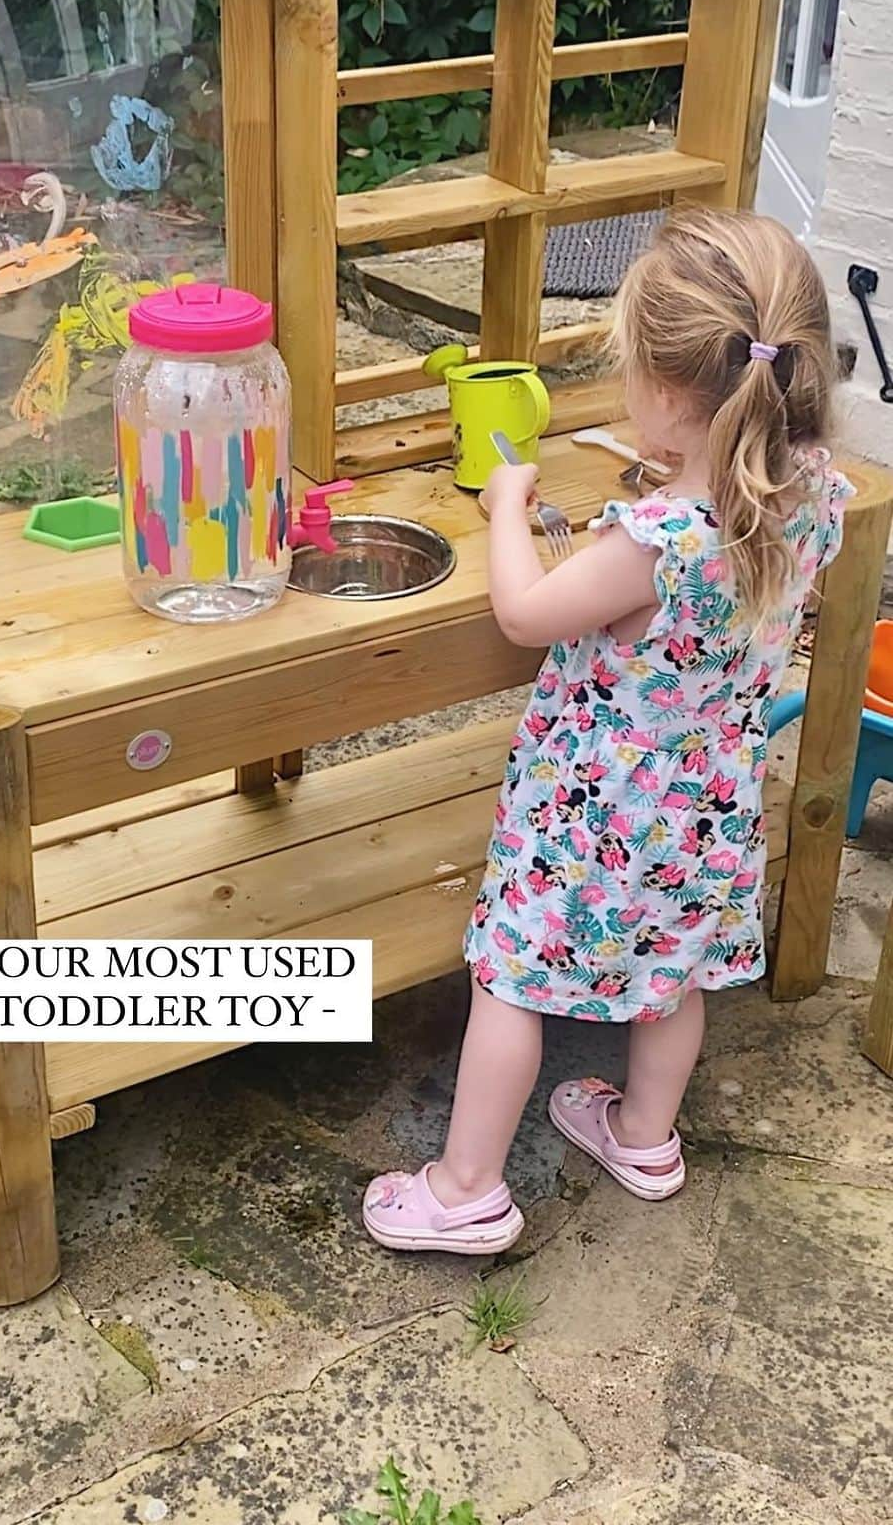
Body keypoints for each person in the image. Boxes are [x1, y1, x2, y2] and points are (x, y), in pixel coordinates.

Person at [363, 209, 850, 1254]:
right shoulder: (810, 492)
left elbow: (523, 617)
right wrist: (671, 476)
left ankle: (464, 1190)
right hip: (709, 797)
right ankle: (643, 1135)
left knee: (510, 975)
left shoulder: (657, 539)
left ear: (667, 397)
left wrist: (506, 508)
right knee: (671, 972)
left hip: (596, 813)